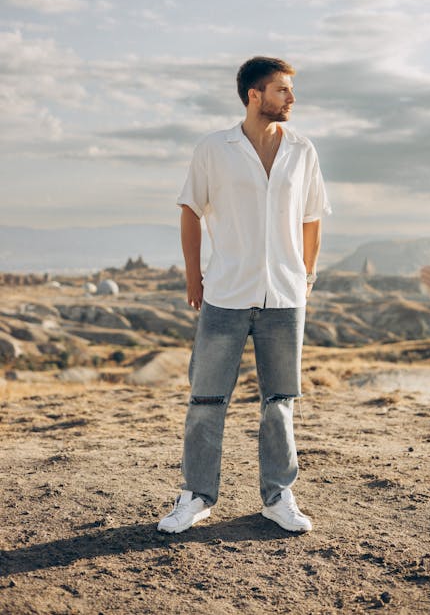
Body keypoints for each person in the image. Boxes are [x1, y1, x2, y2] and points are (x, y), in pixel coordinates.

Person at [157, 56, 331, 535]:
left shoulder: (303, 149)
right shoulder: (214, 148)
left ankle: (278, 497)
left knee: (280, 402)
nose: (291, 99)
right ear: (254, 95)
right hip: (226, 294)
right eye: (281, 90)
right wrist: (194, 277)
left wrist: (307, 273)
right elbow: (190, 210)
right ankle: (196, 496)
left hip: (285, 297)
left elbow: (313, 216)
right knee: (206, 400)